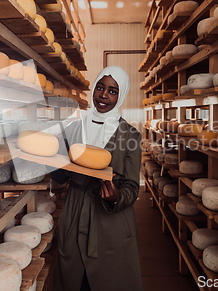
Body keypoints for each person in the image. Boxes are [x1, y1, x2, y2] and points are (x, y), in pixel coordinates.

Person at [51, 66, 143, 291]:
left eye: (112, 91)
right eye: (100, 88)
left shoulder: (130, 135)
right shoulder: (73, 128)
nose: (103, 95)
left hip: (109, 220)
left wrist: (115, 197)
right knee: (73, 275)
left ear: (120, 96)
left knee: (108, 278)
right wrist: (53, 160)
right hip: (75, 209)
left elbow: (132, 186)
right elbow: (60, 177)